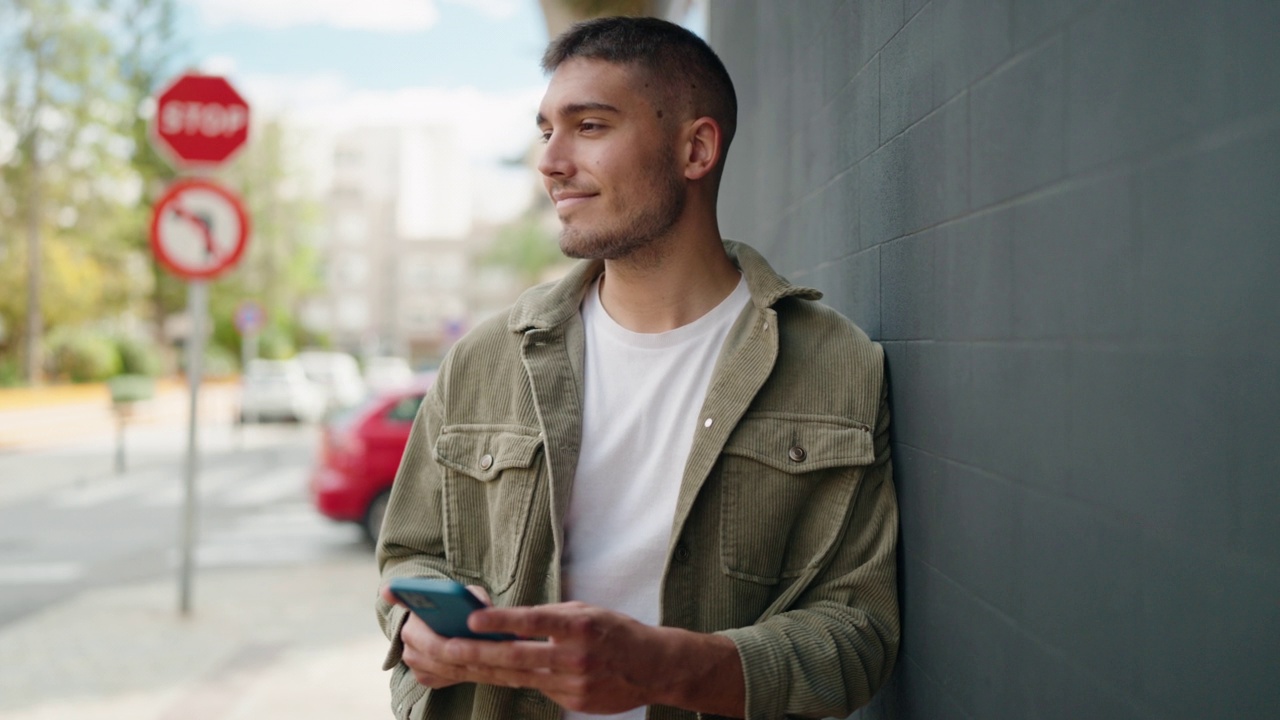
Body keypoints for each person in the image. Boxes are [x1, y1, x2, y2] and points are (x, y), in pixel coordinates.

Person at [376, 16, 898, 720]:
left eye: (589, 126)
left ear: (696, 148)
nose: (552, 162)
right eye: (545, 131)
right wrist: (417, 628)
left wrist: (670, 671)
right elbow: (410, 554)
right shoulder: (489, 358)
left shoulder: (835, 366)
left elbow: (856, 633)